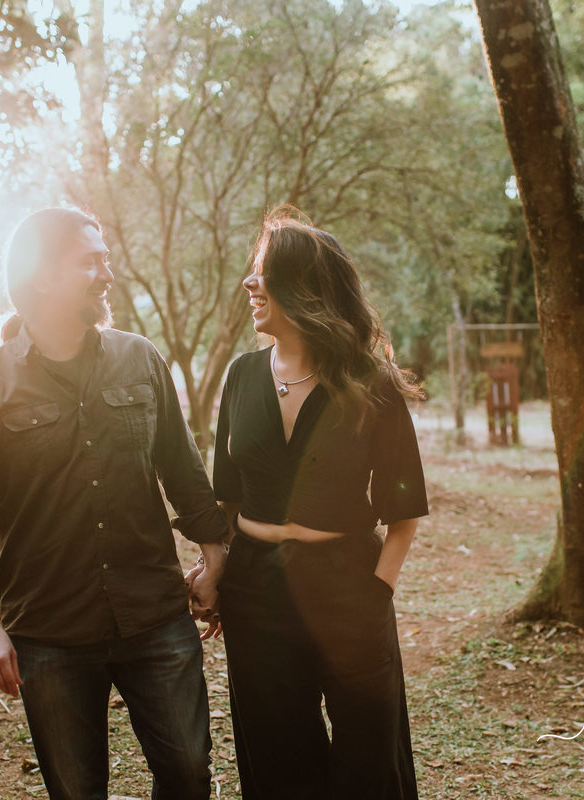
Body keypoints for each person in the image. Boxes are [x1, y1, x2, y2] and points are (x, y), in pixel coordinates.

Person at [0, 207, 229, 800]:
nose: (106, 274)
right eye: (89, 262)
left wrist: (215, 556)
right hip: (49, 630)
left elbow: (183, 470)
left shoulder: (139, 359)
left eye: (106, 259)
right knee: (76, 789)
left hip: (153, 615)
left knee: (190, 775)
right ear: (42, 276)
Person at [198, 206, 430, 799]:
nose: (249, 285)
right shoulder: (241, 376)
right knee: (278, 756)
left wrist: (377, 591)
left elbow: (404, 512)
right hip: (256, 591)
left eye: (263, 272)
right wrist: (218, 570)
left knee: (368, 755)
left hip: (349, 583)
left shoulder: (370, 383)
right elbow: (227, 497)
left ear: (302, 286)